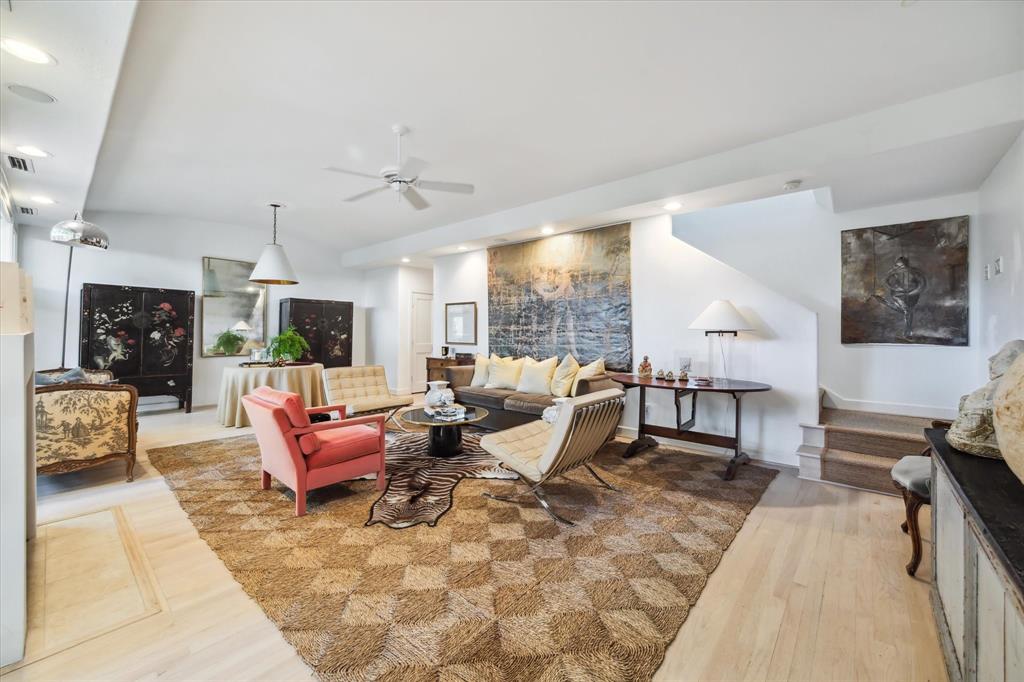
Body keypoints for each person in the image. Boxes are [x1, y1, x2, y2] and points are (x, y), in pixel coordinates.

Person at [872, 256, 926, 338]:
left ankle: (883, 301)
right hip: (898, 295)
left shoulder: (914, 273)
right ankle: (908, 332)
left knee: (906, 310)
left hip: (912, 295)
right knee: (906, 311)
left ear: (907, 265)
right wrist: (895, 288)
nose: (900, 268)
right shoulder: (894, 273)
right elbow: (886, 281)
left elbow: (922, 284)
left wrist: (912, 292)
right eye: (898, 266)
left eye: (902, 266)